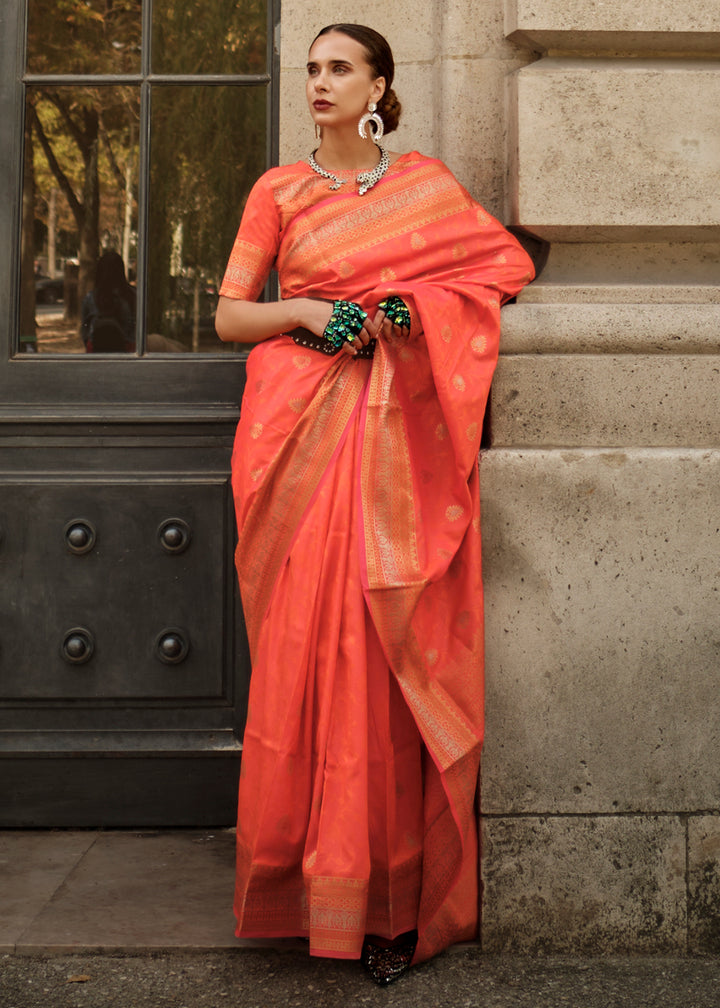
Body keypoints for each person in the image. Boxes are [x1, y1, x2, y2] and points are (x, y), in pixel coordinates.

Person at [215, 23, 534, 984]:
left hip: (396, 443)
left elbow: (502, 270)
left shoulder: (424, 186)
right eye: (311, 69)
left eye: (338, 69)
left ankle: (392, 907)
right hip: (298, 438)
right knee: (307, 663)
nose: (319, 82)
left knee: (382, 657)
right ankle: (302, 888)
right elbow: (232, 314)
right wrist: (310, 310)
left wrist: (409, 310)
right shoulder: (279, 190)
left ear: (379, 86)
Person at [80, 250, 136, 352]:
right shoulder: (132, 296)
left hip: (96, 350)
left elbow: (84, 330)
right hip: (128, 351)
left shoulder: (91, 298)